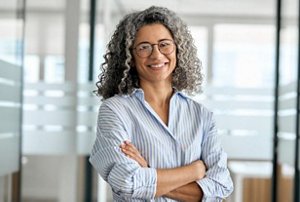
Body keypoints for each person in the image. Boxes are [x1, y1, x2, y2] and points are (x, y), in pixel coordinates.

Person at [90, 6, 233, 201]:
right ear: (130, 58)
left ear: (178, 49)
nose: (156, 55)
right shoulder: (114, 111)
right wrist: (195, 170)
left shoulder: (201, 116)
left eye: (164, 44)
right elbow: (127, 183)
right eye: (144, 47)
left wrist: (148, 172)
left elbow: (220, 188)